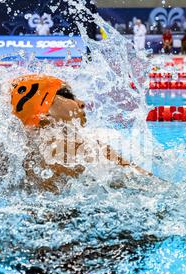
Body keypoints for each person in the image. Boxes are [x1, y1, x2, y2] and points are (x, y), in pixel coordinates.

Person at [9, 74, 150, 193]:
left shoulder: (11, 155)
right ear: (43, 113)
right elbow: (150, 185)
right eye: (68, 95)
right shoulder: (83, 147)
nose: (81, 103)